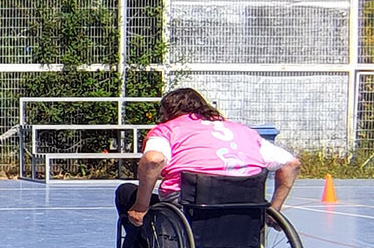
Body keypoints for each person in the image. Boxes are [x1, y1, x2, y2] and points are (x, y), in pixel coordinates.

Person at [116, 88, 301, 234]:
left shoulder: (168, 129)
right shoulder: (242, 130)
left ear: (168, 113)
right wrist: (274, 210)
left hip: (192, 205)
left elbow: (153, 160)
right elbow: (291, 164)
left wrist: (141, 205)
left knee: (126, 193)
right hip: (245, 206)